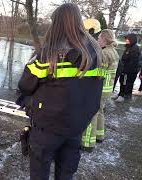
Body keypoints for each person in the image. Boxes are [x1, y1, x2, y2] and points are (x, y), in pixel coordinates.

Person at [17, 3, 104, 180]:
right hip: (77, 126)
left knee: (39, 171)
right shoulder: (96, 52)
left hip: (48, 127)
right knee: (66, 172)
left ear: (56, 24)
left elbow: (25, 85)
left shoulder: (49, 53)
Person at [81, 29, 119, 152]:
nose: (97, 40)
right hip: (107, 89)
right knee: (100, 111)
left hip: (100, 89)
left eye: (99, 39)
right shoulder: (113, 52)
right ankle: (99, 135)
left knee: (91, 113)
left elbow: (96, 72)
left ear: (104, 39)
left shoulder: (104, 54)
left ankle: (87, 143)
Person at [113, 34, 141, 102]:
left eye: (128, 39)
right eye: (126, 39)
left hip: (129, 71)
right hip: (124, 69)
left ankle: (123, 96)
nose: (126, 40)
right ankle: (120, 94)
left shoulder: (135, 48)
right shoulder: (128, 47)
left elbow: (133, 62)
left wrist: (125, 71)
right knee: (122, 82)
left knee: (125, 83)